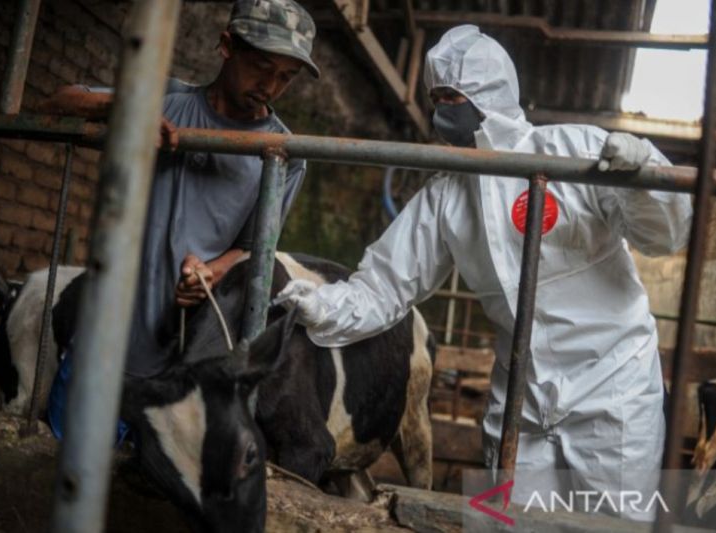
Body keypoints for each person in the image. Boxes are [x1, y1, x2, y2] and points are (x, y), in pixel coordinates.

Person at [277, 25, 692, 520]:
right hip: (523, 395)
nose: (440, 113)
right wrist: (319, 304)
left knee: (619, 524)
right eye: (435, 100)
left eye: (451, 98)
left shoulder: (573, 150)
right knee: (512, 523)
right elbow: (384, 285)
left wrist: (644, 177)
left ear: (488, 96)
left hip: (613, 385)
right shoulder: (447, 195)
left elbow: (666, 234)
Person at [40, 0, 319, 437]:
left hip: (184, 368)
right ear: (227, 45)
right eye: (262, 66)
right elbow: (56, 100)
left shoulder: (283, 154)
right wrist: (127, 108)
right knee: (61, 479)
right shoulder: (163, 99)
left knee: (146, 500)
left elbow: (251, 249)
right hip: (100, 348)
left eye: (286, 76)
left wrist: (211, 271)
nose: (271, 85)